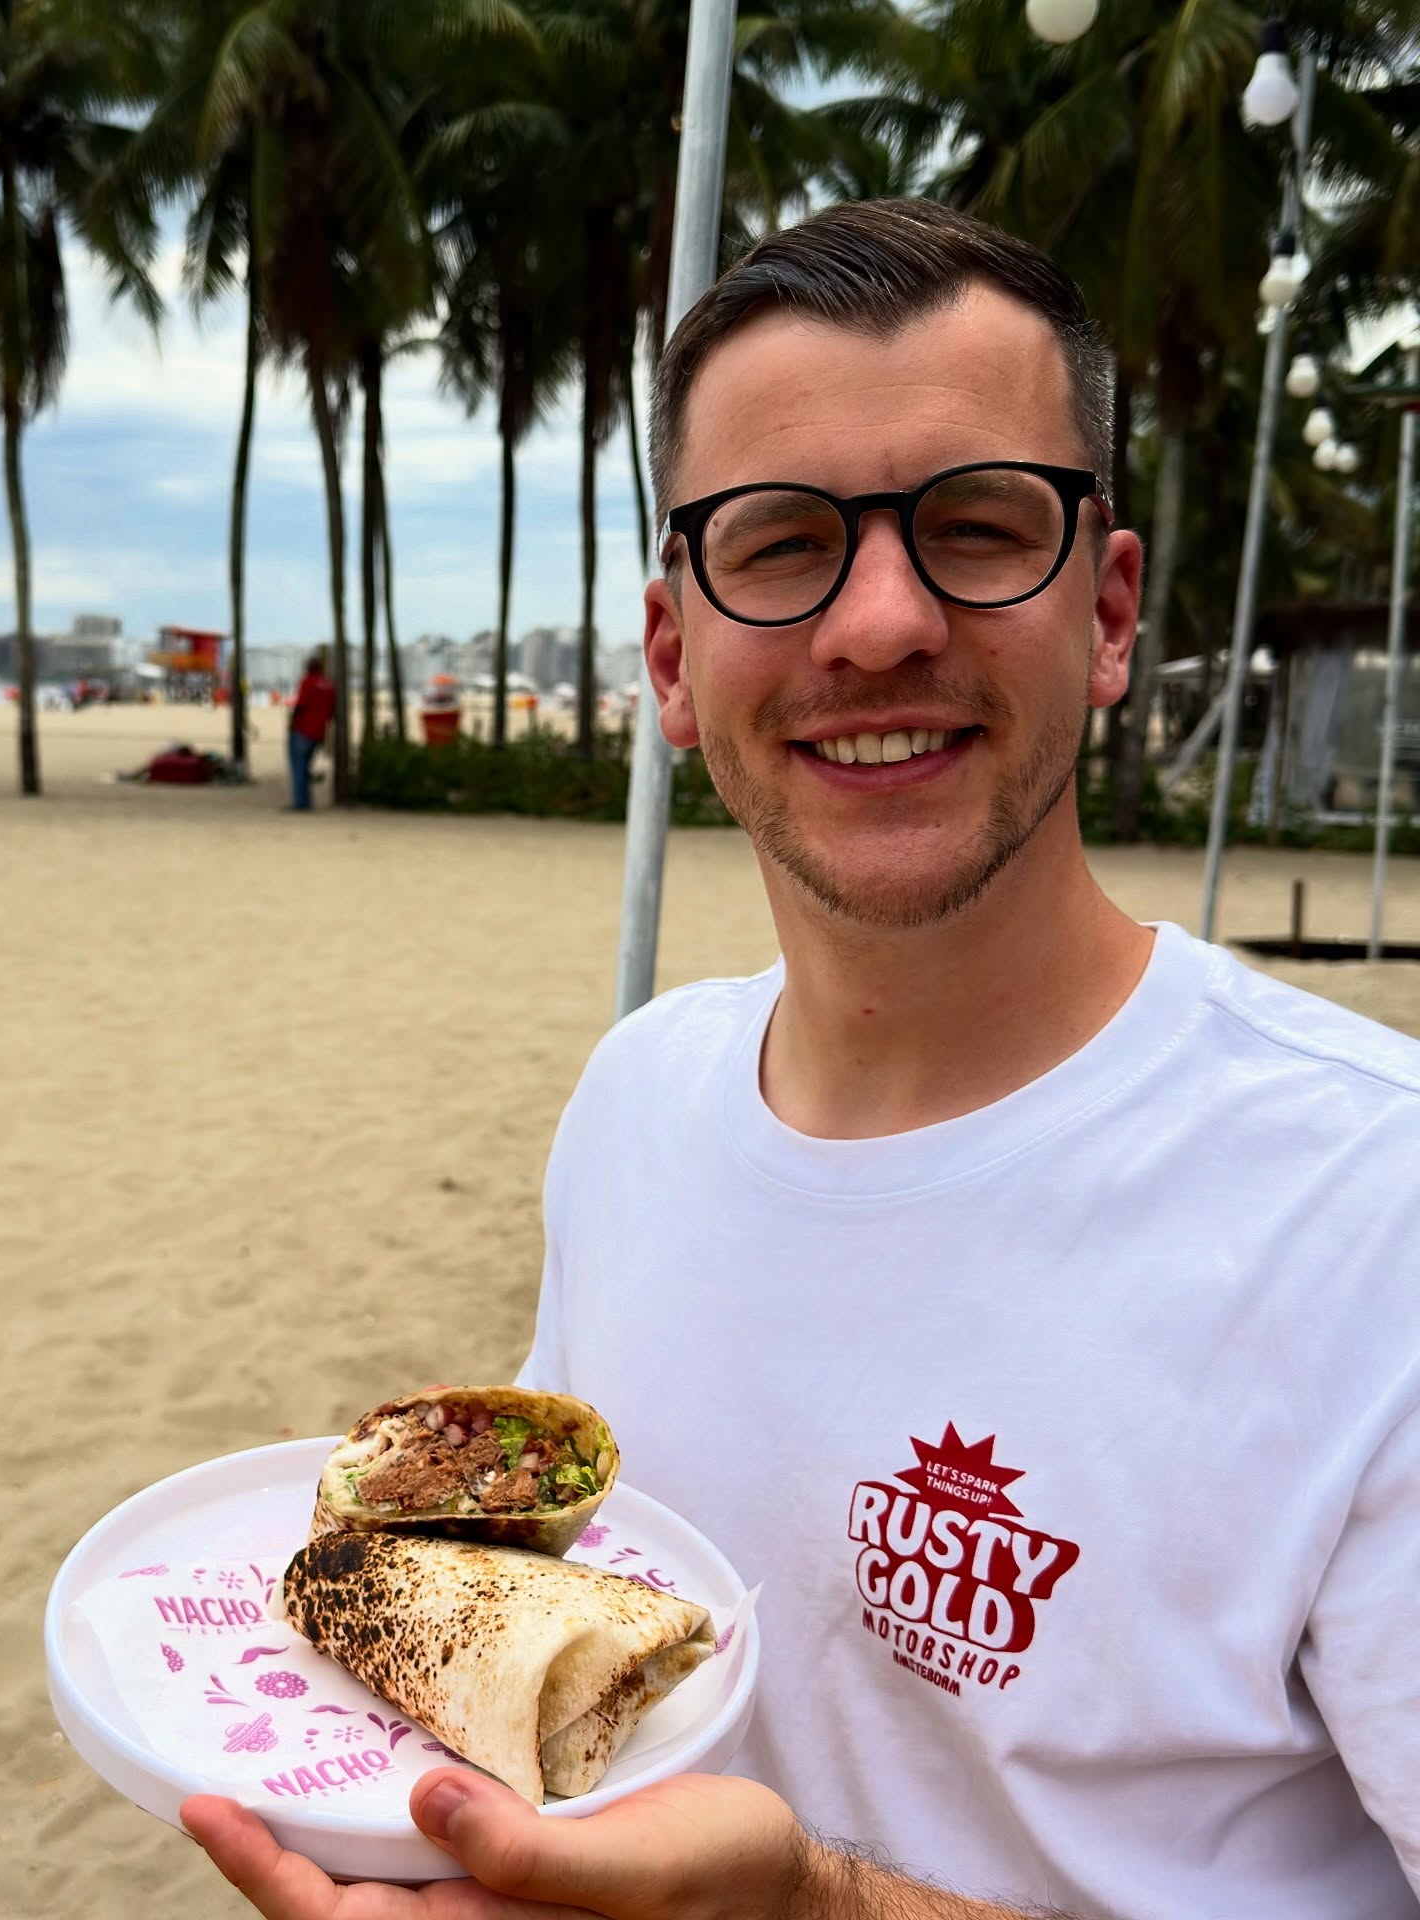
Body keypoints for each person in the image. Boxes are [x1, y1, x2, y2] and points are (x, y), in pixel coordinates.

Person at [184, 201, 1420, 1918]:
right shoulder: (639, 1097)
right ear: (677, 657)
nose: (882, 622)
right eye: (779, 544)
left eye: (983, 527)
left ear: (1111, 610)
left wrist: (812, 1907)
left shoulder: (1376, 1222)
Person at [287, 650, 335, 810]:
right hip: (319, 731)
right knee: (305, 766)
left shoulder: (307, 682)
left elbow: (301, 704)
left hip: (303, 730)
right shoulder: (328, 684)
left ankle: (301, 802)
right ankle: (305, 800)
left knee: (298, 767)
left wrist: (292, 722)